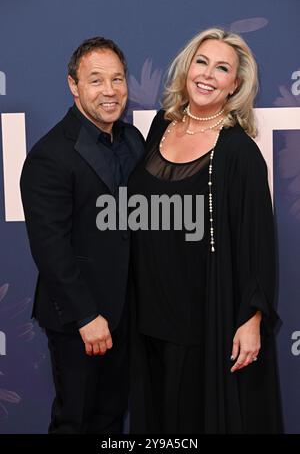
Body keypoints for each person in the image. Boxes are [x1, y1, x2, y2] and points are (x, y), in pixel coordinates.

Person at [128, 28, 283, 433]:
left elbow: (258, 243)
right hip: (148, 313)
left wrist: (252, 319)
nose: (208, 75)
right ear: (186, 67)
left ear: (235, 84)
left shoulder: (239, 152)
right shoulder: (162, 126)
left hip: (202, 318)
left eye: (222, 68)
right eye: (202, 62)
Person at [20, 36, 145, 434]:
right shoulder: (49, 155)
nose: (110, 91)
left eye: (118, 79)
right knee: (76, 421)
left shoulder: (133, 141)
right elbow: (50, 248)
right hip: (81, 319)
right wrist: (86, 316)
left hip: (128, 313)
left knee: (111, 418)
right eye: (96, 80)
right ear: (74, 85)